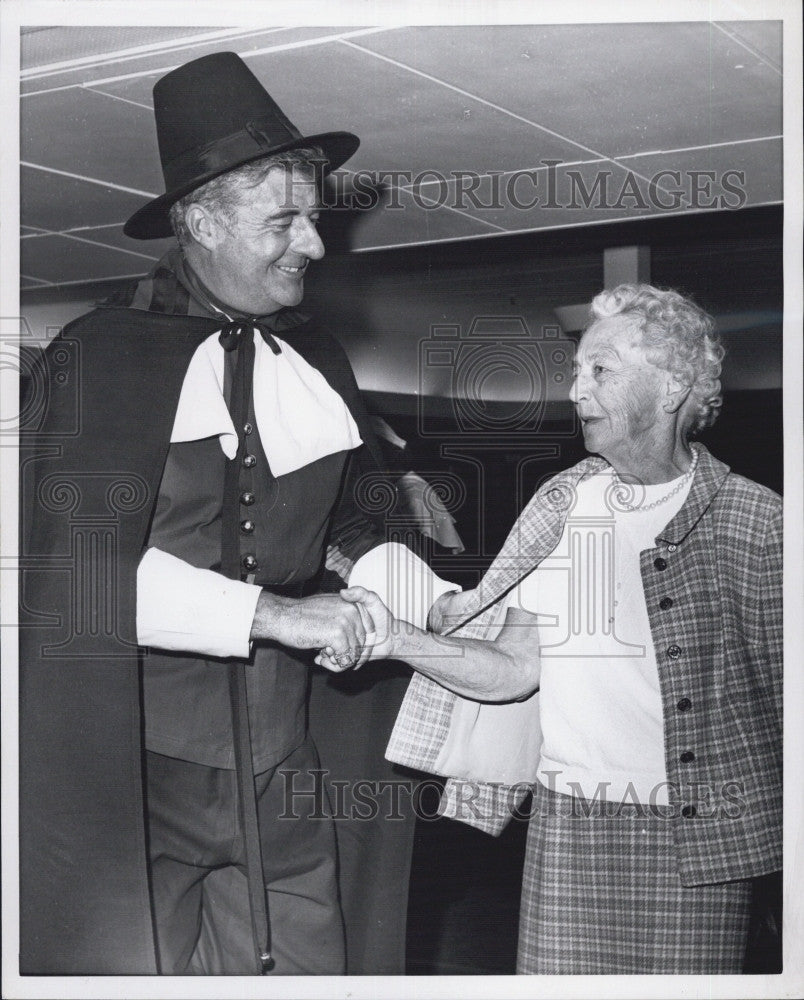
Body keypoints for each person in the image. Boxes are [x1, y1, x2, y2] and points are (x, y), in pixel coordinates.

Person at [19, 51, 454, 975]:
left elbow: (361, 515)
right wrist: (282, 615)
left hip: (289, 753)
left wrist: (406, 598)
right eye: (284, 220)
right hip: (140, 764)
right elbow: (78, 577)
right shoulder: (97, 355)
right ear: (202, 221)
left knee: (311, 966)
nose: (315, 244)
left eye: (314, 217)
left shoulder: (320, 357)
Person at [341, 284, 782, 975]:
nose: (576, 389)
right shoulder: (566, 505)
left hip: (698, 842)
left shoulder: (755, 522)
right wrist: (398, 639)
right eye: (577, 371)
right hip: (567, 824)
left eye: (600, 371)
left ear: (670, 388)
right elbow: (516, 668)